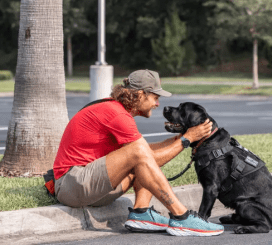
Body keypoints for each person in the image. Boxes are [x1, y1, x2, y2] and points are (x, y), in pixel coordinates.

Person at [53, 69, 224, 236]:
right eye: (155, 98)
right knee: (140, 153)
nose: (157, 104)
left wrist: (186, 138)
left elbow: (146, 153)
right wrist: (186, 139)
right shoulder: (116, 114)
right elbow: (147, 156)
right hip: (71, 184)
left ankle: (141, 212)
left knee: (141, 153)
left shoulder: (116, 110)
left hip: (88, 186)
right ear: (141, 94)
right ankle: (182, 217)